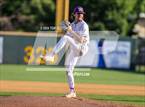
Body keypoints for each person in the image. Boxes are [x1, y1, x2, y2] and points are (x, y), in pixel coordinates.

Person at [41, 6, 89, 98]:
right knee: (68, 71)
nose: (80, 15)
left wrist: (71, 31)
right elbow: (66, 38)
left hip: (82, 49)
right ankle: (72, 91)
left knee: (66, 38)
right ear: (74, 14)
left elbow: (81, 40)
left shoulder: (84, 25)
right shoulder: (73, 25)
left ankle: (51, 55)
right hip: (75, 49)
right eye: (78, 13)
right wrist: (68, 30)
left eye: (81, 13)